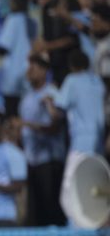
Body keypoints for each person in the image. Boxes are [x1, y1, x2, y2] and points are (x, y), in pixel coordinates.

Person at [54, 49, 108, 222]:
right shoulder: (98, 82)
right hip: (98, 145)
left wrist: (49, 100)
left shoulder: (72, 80)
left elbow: (58, 109)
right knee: (93, 191)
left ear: (71, 66)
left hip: (80, 145)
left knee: (70, 196)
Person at [19, 55, 67, 226]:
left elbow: (55, 127)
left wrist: (26, 124)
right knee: (35, 214)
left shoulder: (52, 93)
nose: (30, 70)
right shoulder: (26, 98)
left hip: (50, 162)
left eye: (35, 66)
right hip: (32, 161)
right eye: (29, 66)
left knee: (51, 211)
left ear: (45, 70)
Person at [0, 0, 36, 117]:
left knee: (12, 114)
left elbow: (4, 47)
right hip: (28, 72)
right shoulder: (30, 20)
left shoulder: (13, 19)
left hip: (13, 76)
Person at [37, 0, 80, 85]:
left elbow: (73, 38)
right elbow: (46, 36)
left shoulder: (71, 2)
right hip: (55, 65)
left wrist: (48, 46)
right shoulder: (46, 7)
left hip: (72, 65)